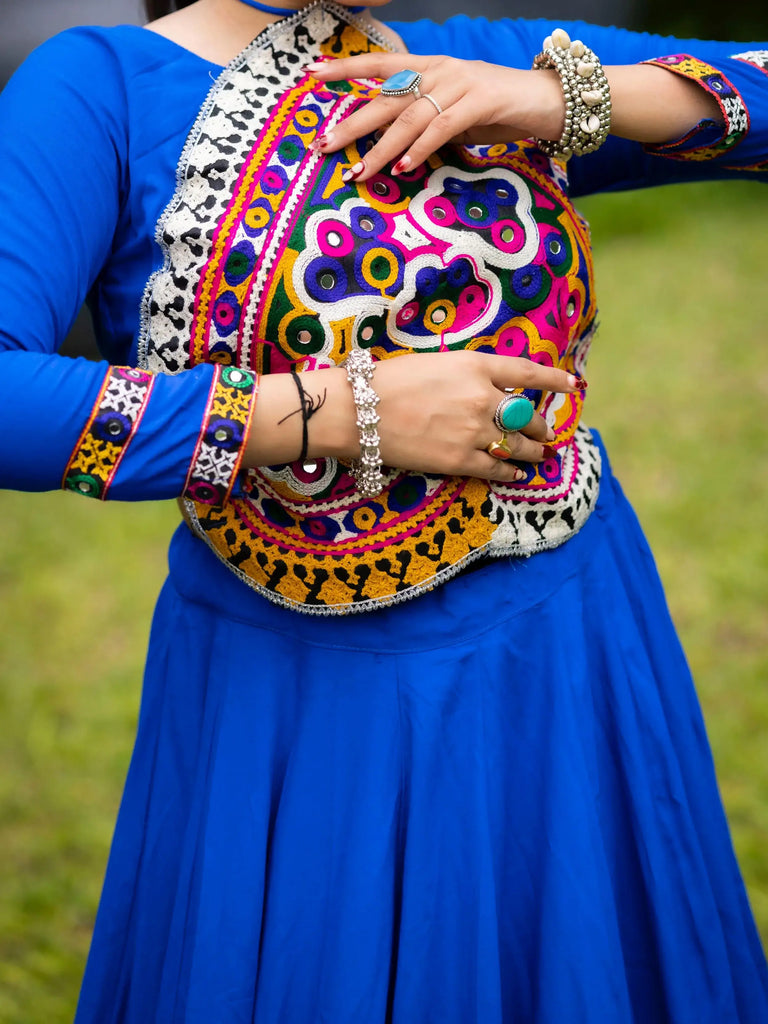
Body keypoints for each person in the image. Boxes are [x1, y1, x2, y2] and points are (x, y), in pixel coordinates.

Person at [1, 0, 767, 1019]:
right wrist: (340, 413)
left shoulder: (473, 55)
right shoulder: (100, 86)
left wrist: (549, 98)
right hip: (306, 697)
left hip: (567, 644)